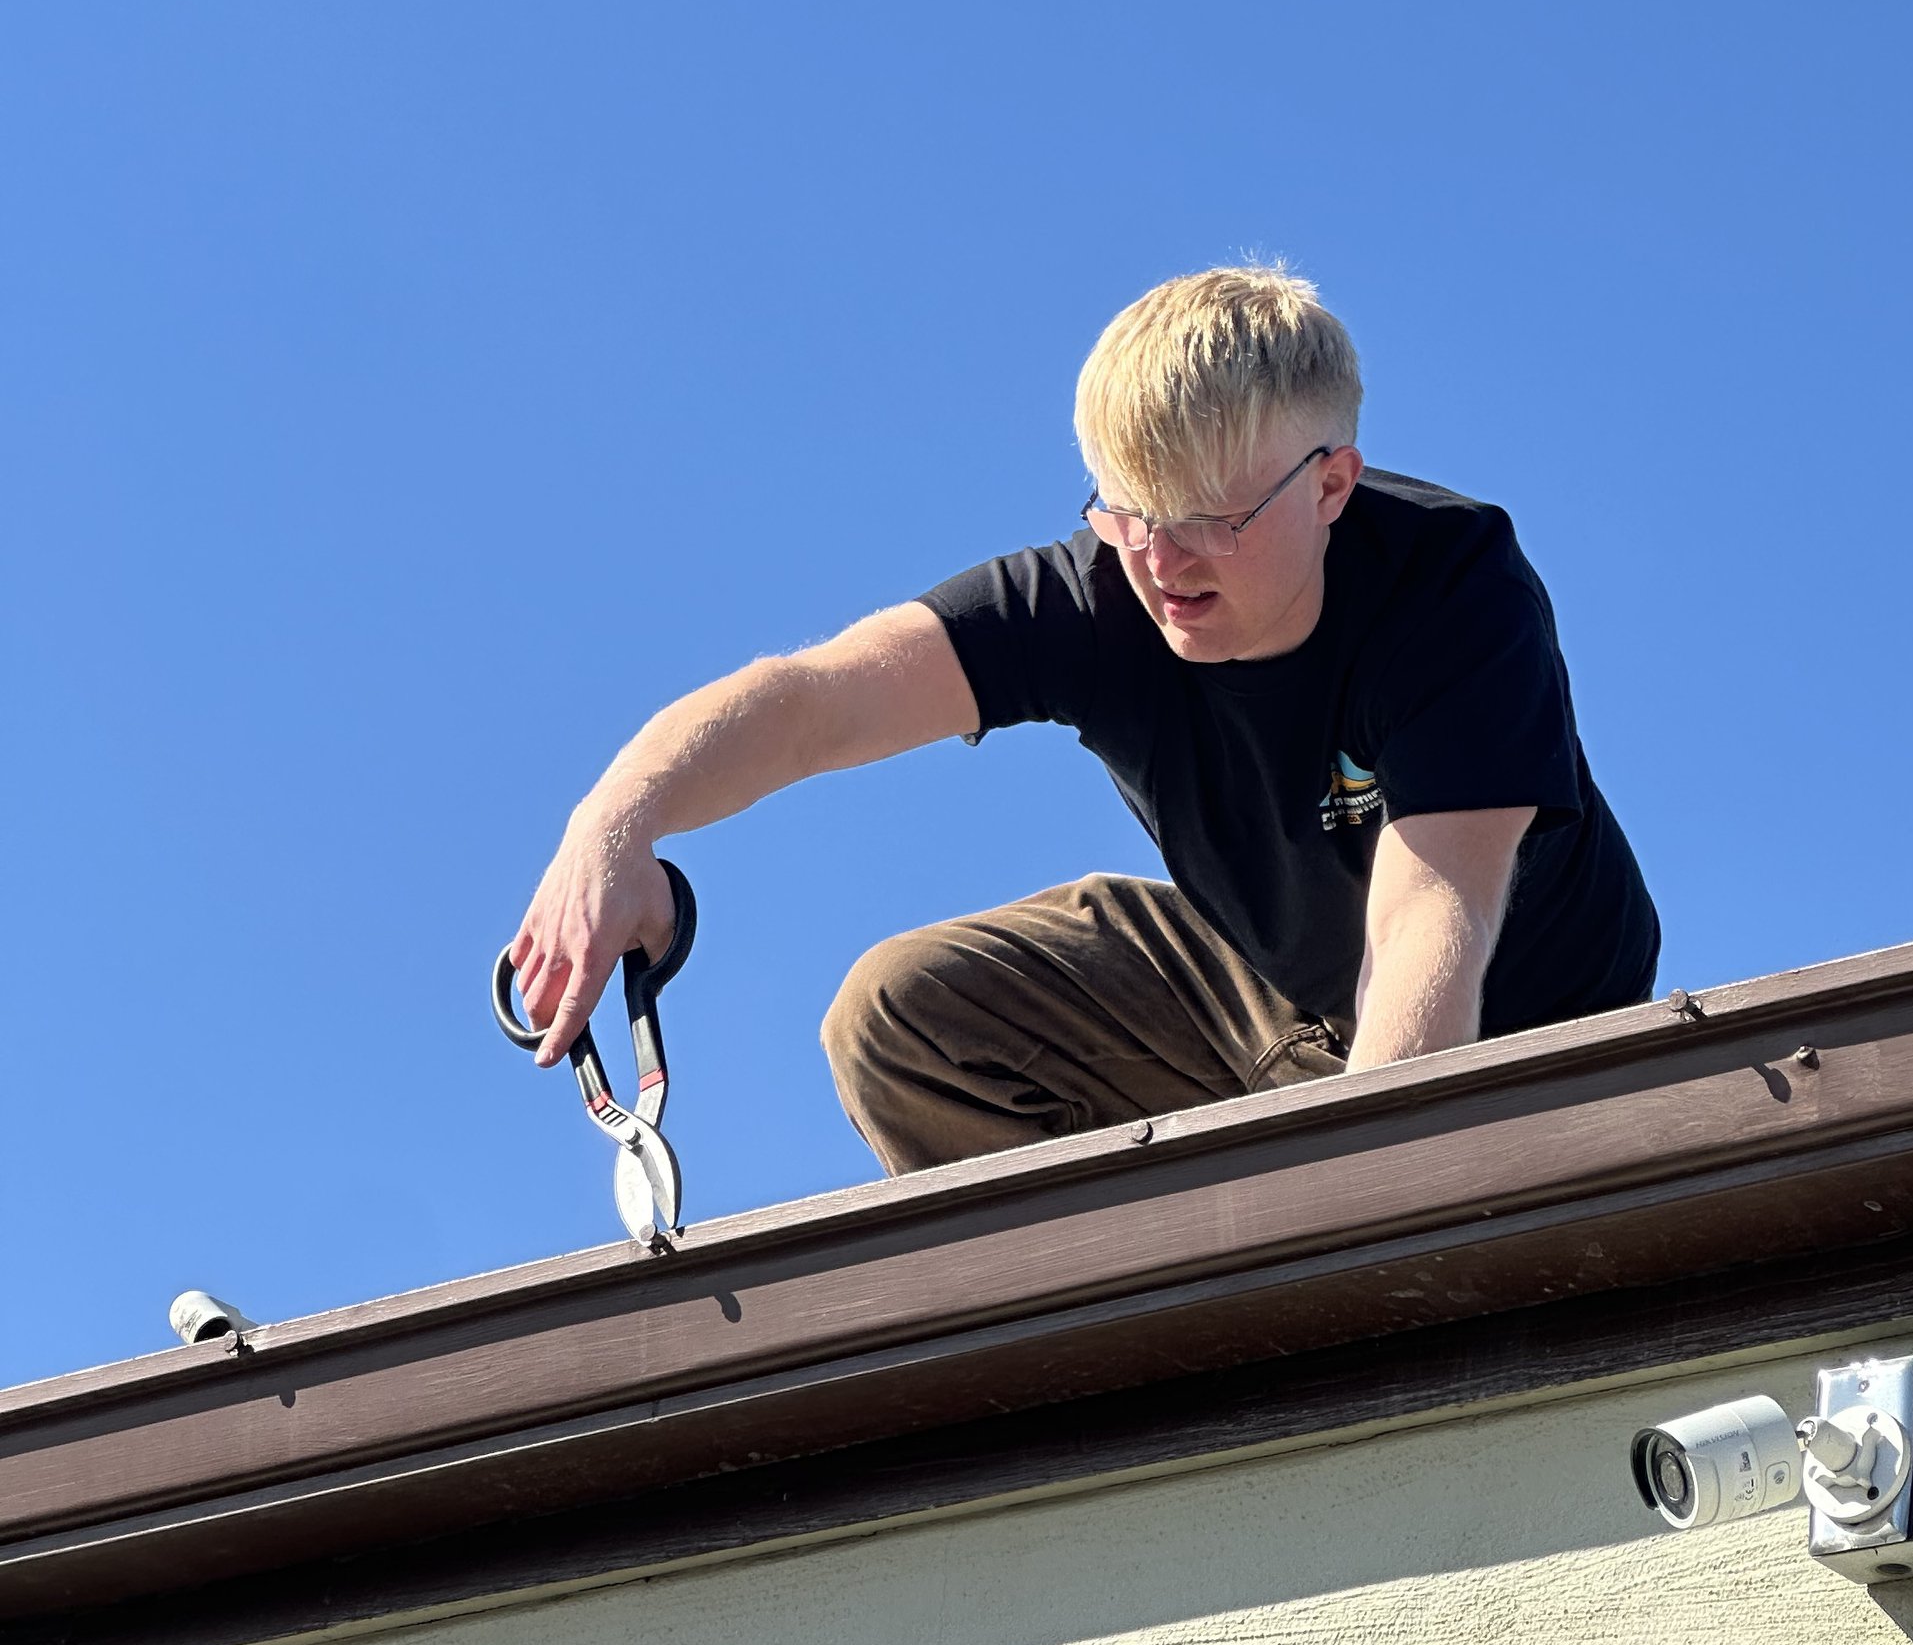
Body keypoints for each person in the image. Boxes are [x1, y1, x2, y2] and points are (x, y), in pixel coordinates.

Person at [506, 266, 1660, 1174]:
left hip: (1510, 1034)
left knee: (1404, 1046)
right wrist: (617, 820)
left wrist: (1358, 1204)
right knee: (900, 1013)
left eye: (1211, 518)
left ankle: (1314, 1251)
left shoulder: (1450, 587)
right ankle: (1129, 1329)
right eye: (1129, 512)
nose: (1163, 564)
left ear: (1328, 486)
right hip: (1269, 991)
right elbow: (815, 700)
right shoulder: (1093, 594)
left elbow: (1430, 915)